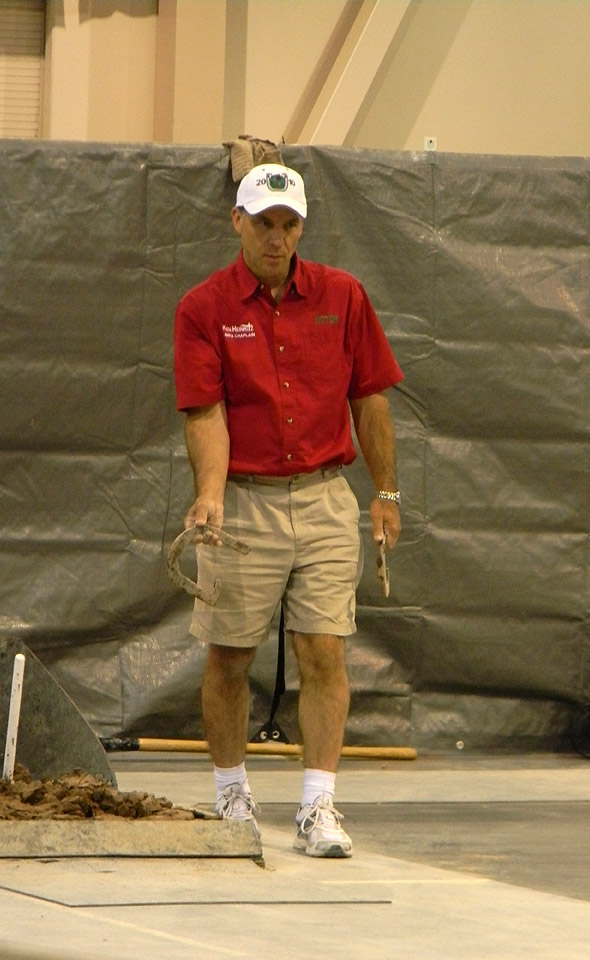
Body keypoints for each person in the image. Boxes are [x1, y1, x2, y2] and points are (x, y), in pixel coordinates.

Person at [173, 163, 402, 858]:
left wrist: (385, 493)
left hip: (326, 498)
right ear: (236, 222)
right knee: (231, 655)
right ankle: (230, 792)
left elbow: (371, 397)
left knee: (324, 651)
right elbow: (205, 410)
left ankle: (318, 806)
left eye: (289, 225)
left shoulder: (343, 296)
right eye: (264, 224)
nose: (276, 238)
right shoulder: (204, 307)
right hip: (244, 501)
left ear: (301, 228)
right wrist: (210, 492)